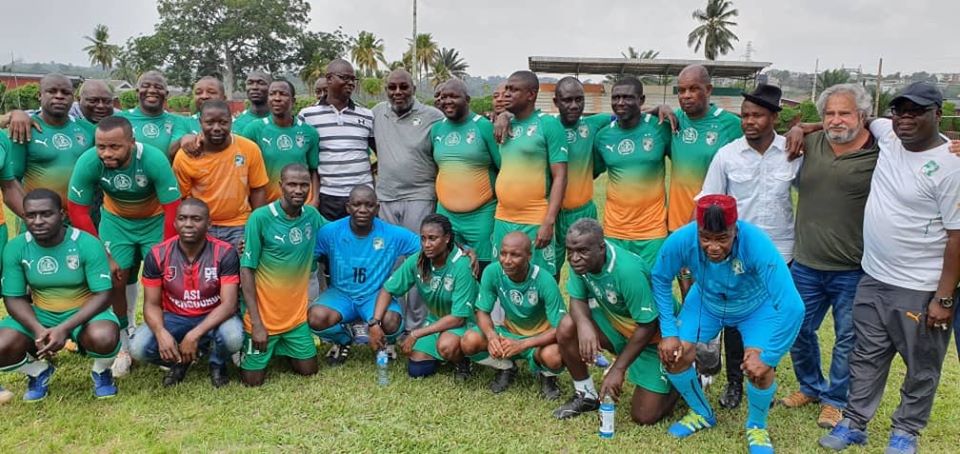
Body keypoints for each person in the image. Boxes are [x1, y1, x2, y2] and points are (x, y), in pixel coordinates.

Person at [818, 82, 960, 454]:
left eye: (916, 111)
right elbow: (845, 120)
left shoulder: (952, 164)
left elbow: (957, 237)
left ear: (937, 114)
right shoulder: (887, 135)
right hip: (873, 277)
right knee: (866, 355)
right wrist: (804, 127)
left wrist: (943, 298)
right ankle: (855, 422)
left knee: (921, 365)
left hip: (920, 286)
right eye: (900, 110)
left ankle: (905, 432)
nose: (905, 118)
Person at [653, 194, 803, 454]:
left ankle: (757, 426)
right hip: (706, 303)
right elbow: (659, 277)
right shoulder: (683, 239)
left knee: (760, 367)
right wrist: (668, 331)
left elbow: (793, 307)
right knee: (674, 355)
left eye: (722, 238)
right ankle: (702, 412)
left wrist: (771, 357)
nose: (713, 246)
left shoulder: (756, 243)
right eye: (706, 237)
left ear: (735, 229)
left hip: (755, 308)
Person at [780, 84, 878, 428]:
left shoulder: (879, 152)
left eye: (844, 112)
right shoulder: (808, 144)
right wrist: (800, 127)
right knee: (797, 329)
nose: (836, 120)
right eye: (829, 113)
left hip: (853, 268)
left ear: (862, 116)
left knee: (847, 338)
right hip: (806, 263)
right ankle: (810, 386)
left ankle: (836, 399)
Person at [696, 84, 799, 409]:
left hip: (781, 251)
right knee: (736, 323)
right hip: (737, 254)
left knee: (773, 318)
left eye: (757, 115)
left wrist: (805, 127)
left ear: (774, 117)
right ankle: (735, 384)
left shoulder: (794, 152)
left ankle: (763, 376)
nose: (749, 121)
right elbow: (708, 202)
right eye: (745, 115)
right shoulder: (727, 155)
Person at [67, 116, 183, 378]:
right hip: (116, 222)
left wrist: (164, 252)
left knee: (163, 278)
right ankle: (123, 342)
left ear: (131, 142)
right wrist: (102, 255)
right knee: (114, 278)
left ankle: (162, 340)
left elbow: (173, 208)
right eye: (101, 147)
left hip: (154, 220)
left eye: (114, 147)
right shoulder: (89, 161)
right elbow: (77, 209)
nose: (106, 153)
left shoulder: (152, 159)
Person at [656, 64, 744, 398]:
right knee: (689, 295)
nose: (687, 96)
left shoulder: (730, 124)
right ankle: (698, 364)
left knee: (722, 297)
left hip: (718, 234)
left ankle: (726, 371)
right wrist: (659, 107)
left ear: (709, 90)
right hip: (680, 228)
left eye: (694, 89)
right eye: (681, 90)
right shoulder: (673, 122)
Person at [552, 219, 675, 424]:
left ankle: (685, 377)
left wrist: (618, 368)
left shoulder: (627, 271)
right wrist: (584, 326)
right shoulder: (580, 262)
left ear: (601, 248)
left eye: (582, 251)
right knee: (568, 325)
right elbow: (577, 299)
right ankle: (586, 395)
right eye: (570, 250)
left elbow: (648, 325)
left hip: (653, 340)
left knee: (644, 416)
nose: (574, 258)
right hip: (621, 329)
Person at [0, 189, 120, 400]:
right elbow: (13, 298)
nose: (38, 221)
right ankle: (38, 372)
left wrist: (64, 329)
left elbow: (103, 295)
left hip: (85, 313)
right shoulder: (16, 247)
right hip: (41, 314)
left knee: (104, 336)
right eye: (31, 215)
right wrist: (38, 330)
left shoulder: (86, 243)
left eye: (46, 214)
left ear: (62, 215)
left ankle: (101, 372)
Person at [129, 198, 244, 388]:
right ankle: (181, 361)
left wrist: (193, 336)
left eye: (196, 219)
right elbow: (151, 304)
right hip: (175, 317)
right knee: (138, 347)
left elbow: (229, 304)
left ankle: (217, 363)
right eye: (182, 218)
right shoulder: (158, 254)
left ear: (208, 224)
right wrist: (160, 333)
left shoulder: (225, 252)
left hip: (214, 316)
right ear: (175, 223)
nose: (188, 224)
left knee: (233, 336)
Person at [238, 164, 327, 386]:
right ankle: (250, 345)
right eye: (292, 184)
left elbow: (336, 236)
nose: (298, 190)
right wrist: (257, 323)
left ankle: (284, 347)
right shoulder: (261, 218)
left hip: (295, 320)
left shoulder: (312, 216)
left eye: (304, 185)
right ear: (281, 186)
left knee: (309, 371)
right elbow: (246, 270)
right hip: (263, 320)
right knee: (252, 382)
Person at [309, 185, 418, 364]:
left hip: (375, 296)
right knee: (316, 317)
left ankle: (387, 342)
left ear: (377, 208)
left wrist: (463, 249)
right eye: (357, 204)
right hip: (341, 294)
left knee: (391, 321)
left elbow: (424, 248)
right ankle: (343, 339)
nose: (362, 210)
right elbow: (305, 256)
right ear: (348, 207)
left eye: (369, 205)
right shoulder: (330, 232)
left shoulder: (391, 233)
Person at [372, 69, 444, 330]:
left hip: (420, 197)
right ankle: (394, 324)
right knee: (392, 262)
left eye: (404, 87)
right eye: (392, 87)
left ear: (414, 88)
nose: (398, 92)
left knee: (419, 259)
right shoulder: (378, 113)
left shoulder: (433, 117)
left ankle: (416, 325)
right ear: (386, 89)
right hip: (386, 199)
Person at [369, 214, 477, 379]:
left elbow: (458, 318)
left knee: (446, 346)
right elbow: (387, 289)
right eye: (423, 239)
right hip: (436, 321)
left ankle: (462, 361)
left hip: (465, 323)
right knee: (417, 369)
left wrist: (415, 334)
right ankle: (443, 353)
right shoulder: (418, 260)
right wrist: (375, 323)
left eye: (433, 239)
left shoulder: (462, 265)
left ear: (447, 238)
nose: (427, 244)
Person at [460, 232, 565, 398]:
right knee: (469, 341)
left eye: (515, 255)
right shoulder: (493, 271)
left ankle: (547, 377)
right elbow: (482, 311)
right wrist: (492, 336)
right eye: (503, 253)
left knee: (553, 356)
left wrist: (523, 345)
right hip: (507, 335)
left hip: (539, 339)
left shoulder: (545, 280)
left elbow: (561, 328)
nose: (507, 260)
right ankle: (506, 367)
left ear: (529, 256)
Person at [492, 70, 568, 278]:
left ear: (531, 94)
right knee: (504, 278)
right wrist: (503, 115)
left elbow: (560, 176)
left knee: (541, 279)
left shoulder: (548, 124)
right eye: (506, 89)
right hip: (503, 216)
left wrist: (548, 221)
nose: (506, 94)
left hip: (534, 217)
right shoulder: (505, 123)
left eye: (514, 90)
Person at [593, 77, 671, 269]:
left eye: (628, 97)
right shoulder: (603, 136)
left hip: (652, 230)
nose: (620, 103)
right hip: (614, 229)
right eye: (616, 97)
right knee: (619, 286)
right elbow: (592, 172)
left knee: (652, 284)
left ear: (641, 100)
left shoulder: (659, 128)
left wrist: (664, 108)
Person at [173, 100, 269, 249]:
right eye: (210, 123)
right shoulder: (185, 156)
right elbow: (183, 198)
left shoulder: (249, 149)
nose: (216, 128)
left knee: (240, 271)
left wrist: (257, 229)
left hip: (240, 225)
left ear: (231, 121)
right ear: (200, 122)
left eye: (223, 122)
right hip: (202, 227)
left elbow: (258, 189)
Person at [431, 79, 500, 271]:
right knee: (450, 267)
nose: (447, 101)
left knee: (483, 268)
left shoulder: (483, 126)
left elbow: (501, 167)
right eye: (443, 97)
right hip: (446, 214)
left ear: (467, 99)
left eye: (453, 96)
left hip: (481, 215)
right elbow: (439, 167)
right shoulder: (437, 129)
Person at [4, 74, 94, 220]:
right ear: (39, 95)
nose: (59, 96)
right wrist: (34, 218)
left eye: (66, 93)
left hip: (80, 221)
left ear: (73, 98)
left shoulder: (88, 130)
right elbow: (11, 184)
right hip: (39, 224)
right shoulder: (24, 128)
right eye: (52, 91)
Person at [298, 59, 375, 221]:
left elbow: (378, 153)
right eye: (344, 78)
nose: (350, 83)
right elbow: (306, 160)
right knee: (330, 243)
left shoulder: (367, 115)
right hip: (328, 197)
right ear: (329, 79)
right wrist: (314, 197)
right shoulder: (308, 115)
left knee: (362, 242)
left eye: (353, 79)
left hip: (362, 195)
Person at [551, 77, 609, 272]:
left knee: (590, 268)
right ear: (556, 102)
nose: (574, 105)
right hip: (552, 214)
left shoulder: (593, 124)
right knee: (551, 269)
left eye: (579, 99)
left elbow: (628, 114)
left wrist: (659, 109)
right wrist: (504, 116)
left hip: (583, 211)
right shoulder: (546, 126)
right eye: (567, 100)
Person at [239, 79, 321, 205]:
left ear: (293, 101)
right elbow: (243, 170)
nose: (277, 98)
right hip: (267, 206)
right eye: (272, 94)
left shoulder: (309, 132)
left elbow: (313, 170)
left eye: (283, 94)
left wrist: (314, 200)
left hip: (301, 205)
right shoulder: (253, 129)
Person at [115, 71, 190, 158]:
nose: (152, 90)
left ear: (166, 94)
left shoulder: (178, 121)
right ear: (137, 92)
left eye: (158, 87)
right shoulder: (119, 119)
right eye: (145, 86)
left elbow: (173, 151)